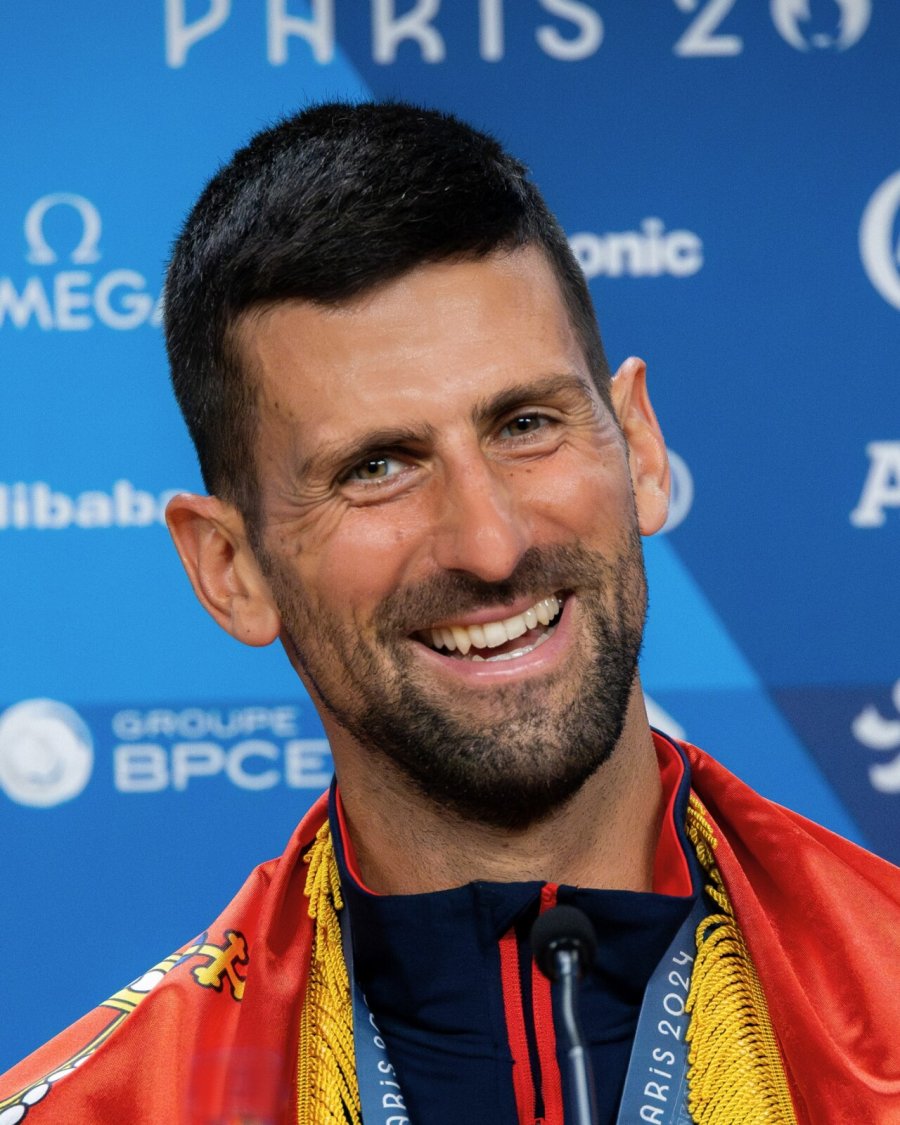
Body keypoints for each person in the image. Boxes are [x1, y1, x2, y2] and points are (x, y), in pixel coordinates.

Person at [1, 101, 898, 1125]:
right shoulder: (105, 1109)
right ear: (230, 568)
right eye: (377, 467)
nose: (491, 543)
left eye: (526, 424)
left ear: (640, 448)